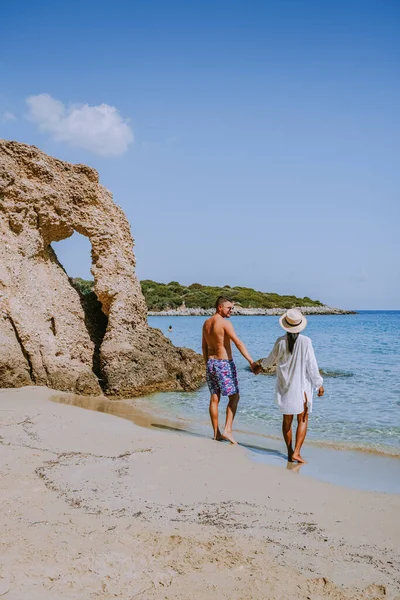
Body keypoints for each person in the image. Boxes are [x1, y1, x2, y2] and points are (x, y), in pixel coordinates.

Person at [257, 308, 324, 463]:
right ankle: (297, 452)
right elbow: (312, 366)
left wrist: (259, 367)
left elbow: (269, 360)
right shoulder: (306, 341)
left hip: (285, 386)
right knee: (303, 419)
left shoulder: (280, 341)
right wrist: (319, 384)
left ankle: (289, 452)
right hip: (302, 387)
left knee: (287, 420)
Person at [202, 296, 257, 444]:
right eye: (229, 308)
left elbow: (204, 347)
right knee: (234, 397)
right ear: (220, 307)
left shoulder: (206, 323)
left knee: (214, 398)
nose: (231, 311)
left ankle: (216, 433)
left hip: (211, 363)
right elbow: (238, 343)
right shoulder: (225, 323)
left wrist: (207, 364)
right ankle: (227, 430)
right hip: (224, 364)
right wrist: (251, 361)